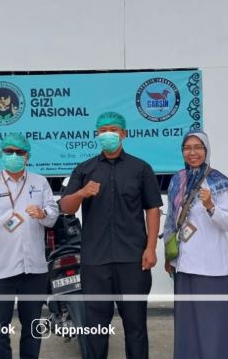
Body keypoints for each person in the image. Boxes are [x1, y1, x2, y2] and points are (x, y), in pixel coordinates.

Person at [59, 111, 162, 359]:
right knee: (96, 327)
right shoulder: (85, 169)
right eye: (103, 130)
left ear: (124, 133)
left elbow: (152, 209)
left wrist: (150, 248)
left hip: (133, 260)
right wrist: (81, 193)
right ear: (97, 134)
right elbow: (66, 207)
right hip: (96, 261)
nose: (108, 135)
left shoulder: (141, 168)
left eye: (114, 130)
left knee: (136, 325)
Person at [0, 133, 59, 359]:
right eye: (9, 151)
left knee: (33, 327)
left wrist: (43, 213)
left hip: (33, 269)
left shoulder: (39, 182)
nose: (14, 156)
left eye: (19, 152)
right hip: (0, 269)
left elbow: (53, 216)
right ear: (1, 154)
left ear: (28, 156)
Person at [163, 131, 228, 359]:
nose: (192, 152)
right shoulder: (178, 180)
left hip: (210, 267)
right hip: (184, 265)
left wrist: (210, 206)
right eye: (187, 148)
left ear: (206, 150)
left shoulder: (220, 182)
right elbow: (171, 220)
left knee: (211, 326)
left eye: (198, 147)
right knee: (188, 325)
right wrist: (169, 255)